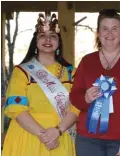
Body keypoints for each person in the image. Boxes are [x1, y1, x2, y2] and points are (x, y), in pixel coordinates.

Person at [70, 9, 120, 156]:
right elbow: (74, 96)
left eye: (114, 29)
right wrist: (85, 98)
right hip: (88, 140)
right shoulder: (87, 62)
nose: (109, 33)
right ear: (98, 33)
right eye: (104, 29)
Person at [2, 13, 79, 156]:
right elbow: (16, 108)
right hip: (27, 135)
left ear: (59, 42)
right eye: (42, 35)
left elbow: (77, 106)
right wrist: (44, 135)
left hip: (60, 134)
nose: (48, 39)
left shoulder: (71, 73)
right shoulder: (22, 71)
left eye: (53, 36)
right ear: (35, 41)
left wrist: (57, 131)